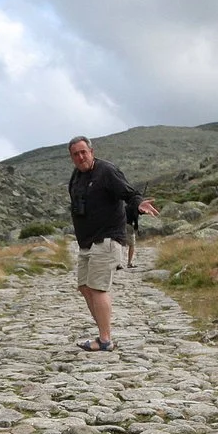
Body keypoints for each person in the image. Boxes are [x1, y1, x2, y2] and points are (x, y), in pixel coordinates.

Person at [66, 135, 157, 351]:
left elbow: (128, 193)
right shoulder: (76, 176)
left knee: (98, 288)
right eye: (75, 154)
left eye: (83, 152)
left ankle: (105, 340)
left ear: (92, 152)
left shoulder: (106, 171)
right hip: (87, 242)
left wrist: (139, 204)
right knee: (85, 287)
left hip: (106, 239)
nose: (80, 157)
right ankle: (102, 334)